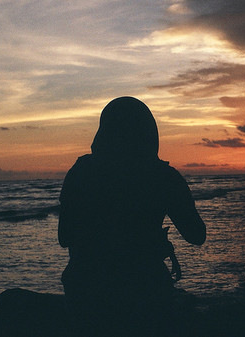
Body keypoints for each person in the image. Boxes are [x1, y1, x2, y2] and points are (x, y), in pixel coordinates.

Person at [58, 97, 206, 336]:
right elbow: (197, 235)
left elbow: (64, 237)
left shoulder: (80, 172)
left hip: (85, 291)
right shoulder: (163, 176)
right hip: (145, 289)